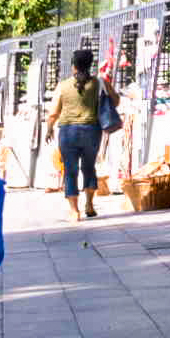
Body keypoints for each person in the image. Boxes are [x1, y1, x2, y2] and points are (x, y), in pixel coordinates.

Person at [48, 48, 106, 219]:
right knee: (89, 168)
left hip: (68, 132)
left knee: (70, 170)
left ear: (74, 66)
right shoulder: (98, 83)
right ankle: (89, 204)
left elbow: (53, 112)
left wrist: (49, 128)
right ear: (90, 65)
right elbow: (115, 101)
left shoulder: (63, 85)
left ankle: (74, 211)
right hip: (92, 131)